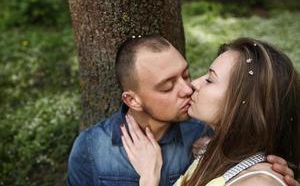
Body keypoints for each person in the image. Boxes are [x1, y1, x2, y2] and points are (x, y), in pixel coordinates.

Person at [67, 35, 297, 186]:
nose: (189, 87)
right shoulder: (91, 148)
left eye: (186, 75)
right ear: (132, 100)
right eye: (168, 87)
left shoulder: (205, 136)